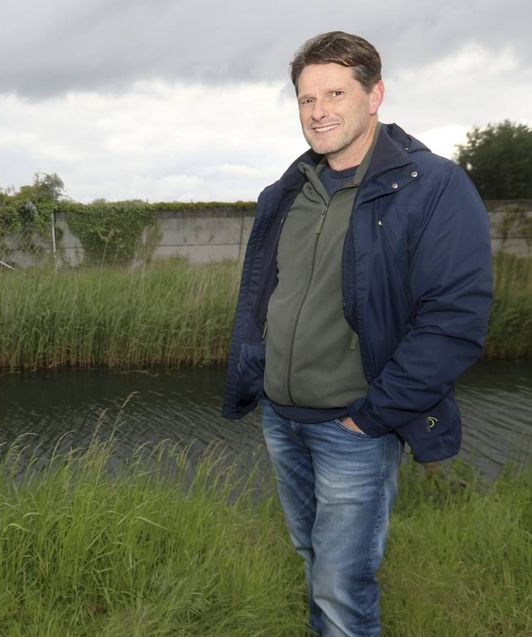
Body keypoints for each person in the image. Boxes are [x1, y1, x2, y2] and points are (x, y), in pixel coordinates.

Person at [221, 31, 492, 636]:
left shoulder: (432, 185)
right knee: (314, 563)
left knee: (343, 585)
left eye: (336, 92)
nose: (318, 111)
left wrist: (373, 416)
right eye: (305, 98)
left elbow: (456, 319)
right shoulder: (287, 192)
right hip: (281, 416)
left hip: (355, 424)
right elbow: (264, 299)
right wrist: (260, 380)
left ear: (375, 96)